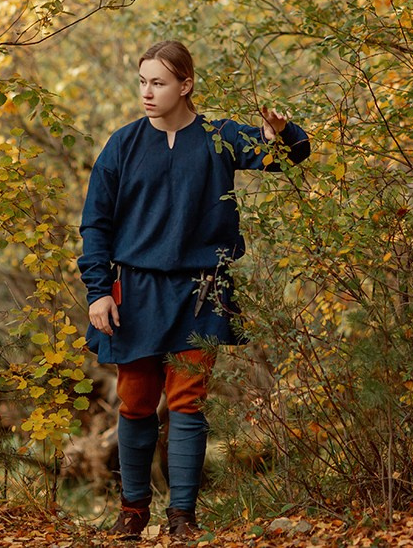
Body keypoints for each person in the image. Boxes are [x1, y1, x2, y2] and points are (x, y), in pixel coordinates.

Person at [78, 40, 312, 539]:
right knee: (137, 400)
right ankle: (133, 511)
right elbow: (95, 224)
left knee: (187, 400)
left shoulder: (219, 136)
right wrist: (98, 290)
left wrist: (282, 132)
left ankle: (183, 515)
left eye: (158, 83)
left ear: (185, 85)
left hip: (201, 288)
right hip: (134, 289)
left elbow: (289, 158)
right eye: (142, 81)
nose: (147, 92)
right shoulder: (122, 144)